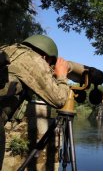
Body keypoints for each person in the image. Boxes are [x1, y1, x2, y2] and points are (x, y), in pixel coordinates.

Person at [0, 34, 70, 170]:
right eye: (50, 63)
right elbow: (59, 99)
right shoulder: (33, 59)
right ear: (45, 57)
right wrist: (61, 76)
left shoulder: (8, 50)